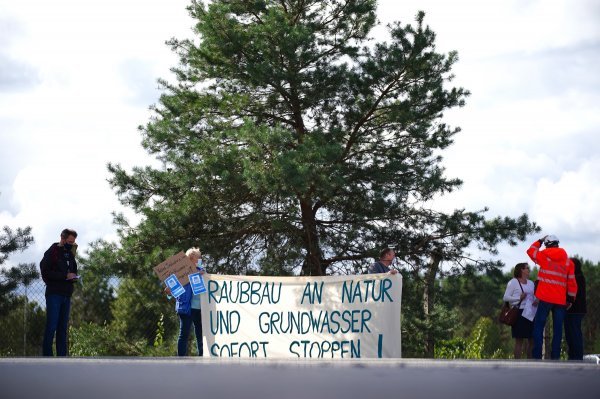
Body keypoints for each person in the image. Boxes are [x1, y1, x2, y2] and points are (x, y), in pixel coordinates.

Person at [526, 234, 577, 359]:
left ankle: (537, 356)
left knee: (539, 326)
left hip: (544, 298)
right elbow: (572, 282)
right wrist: (570, 299)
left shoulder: (544, 257)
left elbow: (530, 251)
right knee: (558, 329)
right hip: (560, 300)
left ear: (547, 244)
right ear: (557, 244)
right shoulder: (568, 262)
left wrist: (540, 241)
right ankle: (555, 357)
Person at [40, 228, 79, 356]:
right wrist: (64, 276)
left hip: (66, 295)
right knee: (52, 326)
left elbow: (73, 270)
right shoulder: (53, 251)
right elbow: (45, 271)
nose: (71, 244)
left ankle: (62, 358)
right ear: (62, 238)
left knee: (62, 329)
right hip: (54, 294)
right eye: (69, 241)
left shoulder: (70, 253)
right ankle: (47, 357)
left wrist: (73, 276)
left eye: (73, 242)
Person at [167, 247, 205, 356]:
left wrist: (203, 275)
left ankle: (202, 357)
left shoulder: (202, 271)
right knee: (184, 334)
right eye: (198, 257)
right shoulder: (181, 272)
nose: (200, 259)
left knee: (200, 335)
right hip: (186, 308)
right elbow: (174, 291)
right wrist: (169, 293)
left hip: (199, 308)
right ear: (192, 258)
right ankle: (181, 359)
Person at [503, 262, 535, 359]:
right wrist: (518, 298)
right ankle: (517, 363)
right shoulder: (513, 282)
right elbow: (505, 297)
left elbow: (533, 296)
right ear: (521, 270)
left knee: (532, 339)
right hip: (519, 313)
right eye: (527, 268)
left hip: (530, 312)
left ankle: (531, 363)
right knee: (519, 340)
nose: (529, 270)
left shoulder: (531, 283)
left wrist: (536, 300)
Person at [564, 257, 586, 360]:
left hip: (574, 310)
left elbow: (573, 294)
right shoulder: (579, 277)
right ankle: (573, 356)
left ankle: (576, 357)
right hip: (575, 310)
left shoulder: (576, 278)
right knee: (571, 334)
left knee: (574, 334)